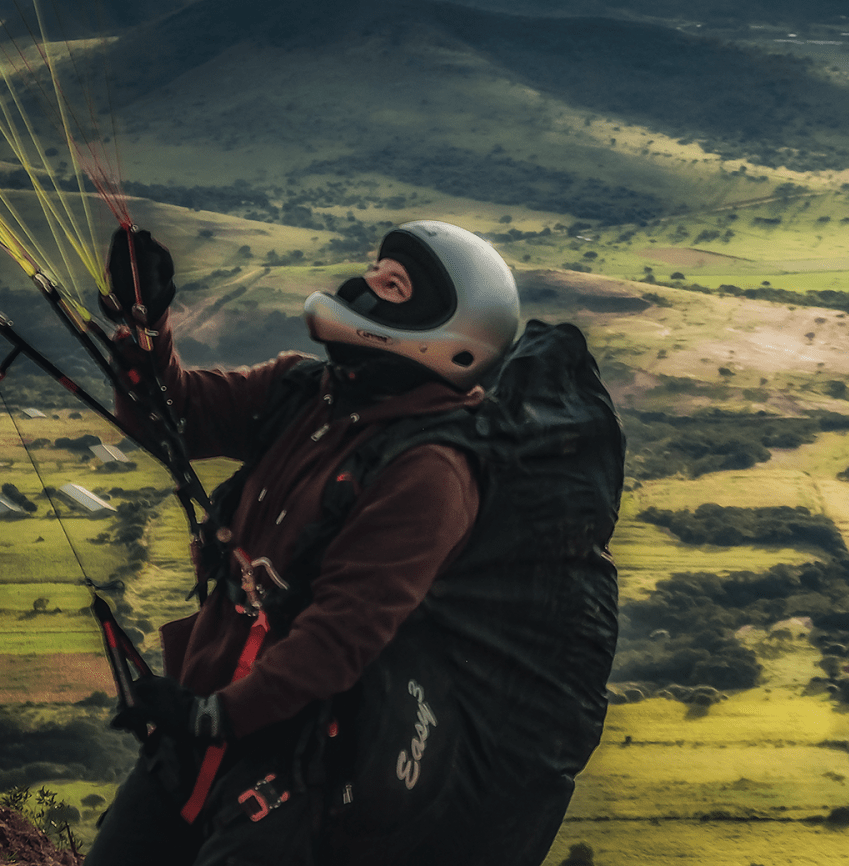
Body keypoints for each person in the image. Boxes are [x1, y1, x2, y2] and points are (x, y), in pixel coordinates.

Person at [85, 220, 522, 865]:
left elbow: (340, 636)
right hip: (196, 733)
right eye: (376, 269)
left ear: (448, 336)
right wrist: (146, 327)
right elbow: (174, 415)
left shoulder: (429, 471)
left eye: (393, 283)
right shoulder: (305, 392)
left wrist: (215, 715)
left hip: (291, 765)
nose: (365, 284)